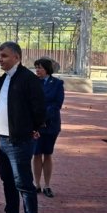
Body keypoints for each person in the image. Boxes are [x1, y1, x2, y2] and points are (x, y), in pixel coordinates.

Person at [0, 42, 45, 213]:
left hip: (19, 141)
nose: (0, 59)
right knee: (7, 180)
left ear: (17, 57)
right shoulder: (3, 79)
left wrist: (36, 127)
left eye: (4, 56)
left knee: (24, 184)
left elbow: (39, 107)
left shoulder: (28, 79)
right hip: (2, 139)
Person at [32, 58, 65, 198]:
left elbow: (57, 104)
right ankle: (36, 184)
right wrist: (36, 121)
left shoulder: (57, 84)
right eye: (36, 67)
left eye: (40, 67)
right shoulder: (33, 83)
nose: (37, 70)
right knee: (36, 153)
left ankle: (47, 185)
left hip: (51, 124)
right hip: (36, 126)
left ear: (47, 69)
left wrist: (44, 118)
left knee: (47, 153)